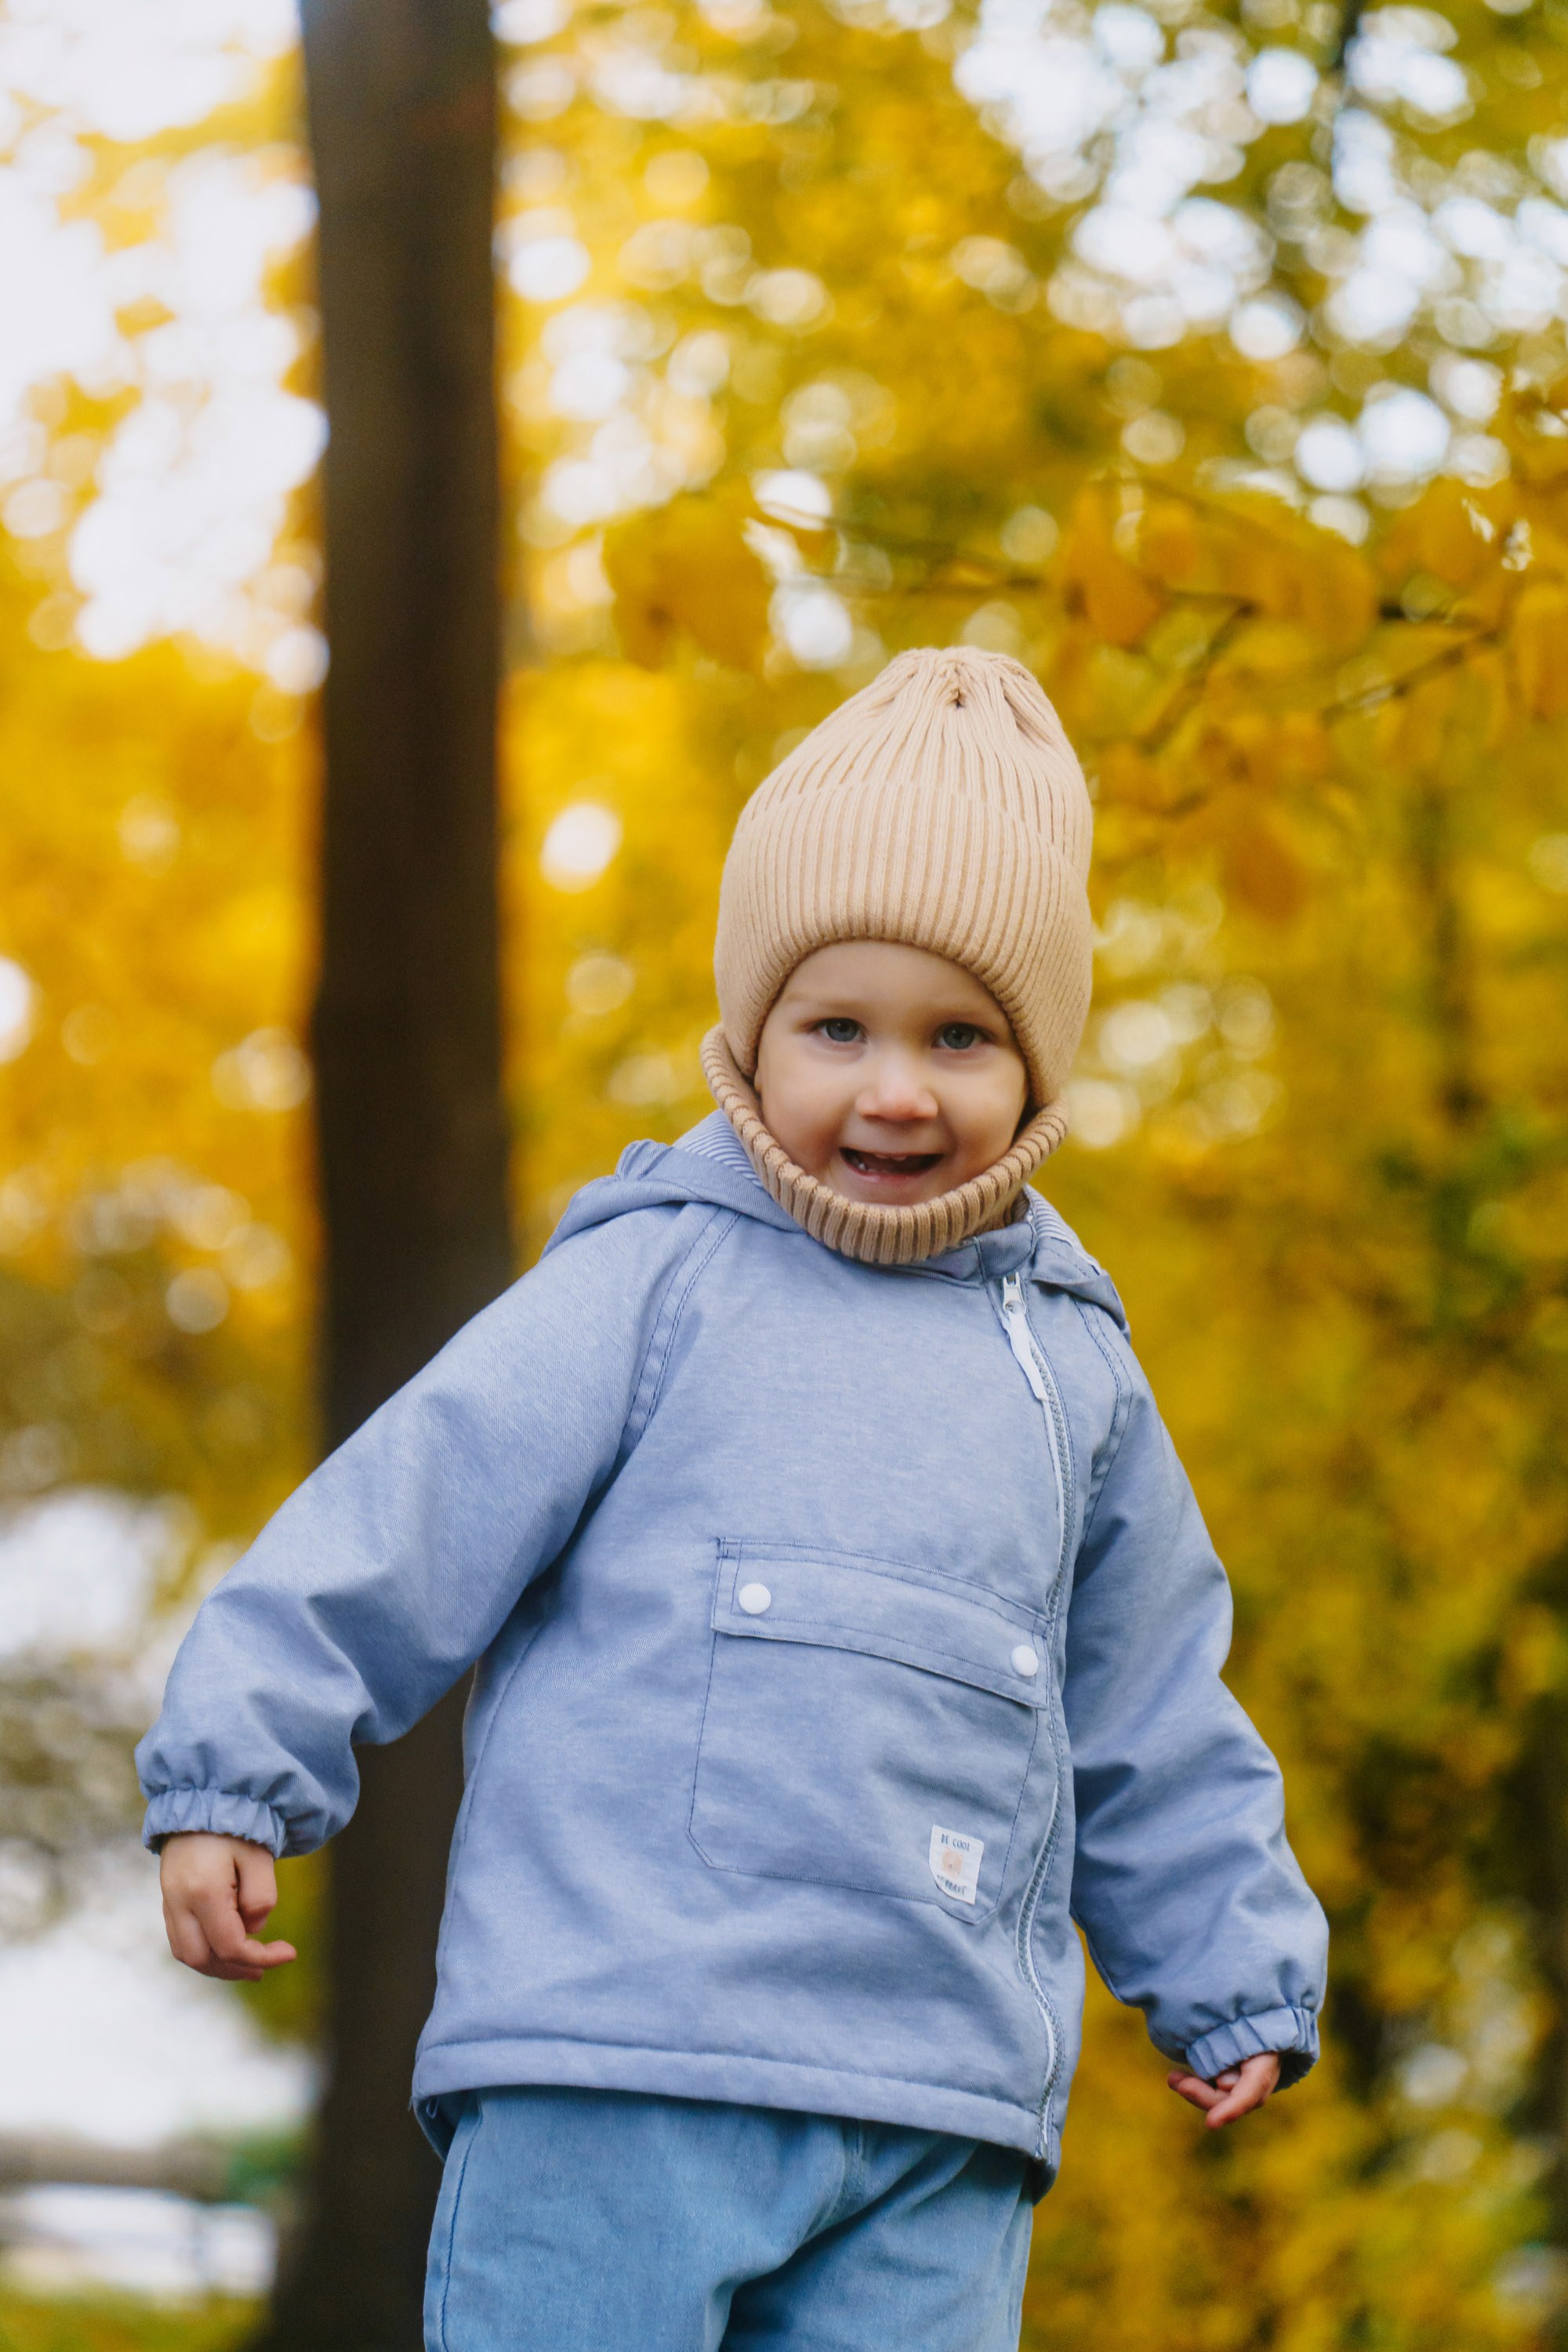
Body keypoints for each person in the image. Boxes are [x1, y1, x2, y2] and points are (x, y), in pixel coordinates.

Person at [141, 645, 1328, 2352]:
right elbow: (411, 1508)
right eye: (836, 1027)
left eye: (962, 1036)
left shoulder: (1072, 1372)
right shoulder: (654, 1284)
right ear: (749, 1036)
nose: (896, 1089)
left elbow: (1148, 1701)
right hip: (613, 2057)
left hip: (938, 2113)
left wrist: (1229, 1964)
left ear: (1040, 1064)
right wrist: (234, 1769)